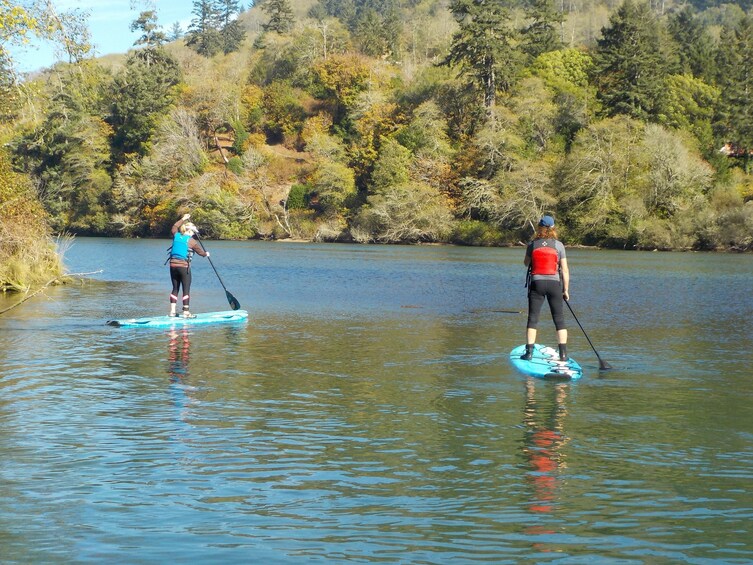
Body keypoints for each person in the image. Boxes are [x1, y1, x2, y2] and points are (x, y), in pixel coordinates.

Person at [521, 215, 570, 361]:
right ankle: (563, 355)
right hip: (554, 284)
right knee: (559, 319)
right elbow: (565, 270)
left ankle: (529, 353)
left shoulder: (532, 244)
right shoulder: (559, 245)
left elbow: (525, 263)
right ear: (553, 228)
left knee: (533, 319)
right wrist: (565, 290)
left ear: (540, 228)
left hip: (537, 284)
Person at [168, 213, 209, 317]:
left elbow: (175, 226)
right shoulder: (192, 241)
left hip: (172, 266)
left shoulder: (175, 235)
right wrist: (206, 254)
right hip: (184, 267)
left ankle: (172, 312)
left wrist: (183, 219)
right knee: (186, 289)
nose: (193, 234)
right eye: (193, 232)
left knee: (175, 288)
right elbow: (201, 253)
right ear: (190, 231)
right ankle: (186, 312)